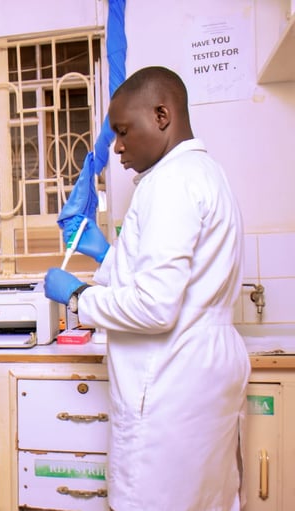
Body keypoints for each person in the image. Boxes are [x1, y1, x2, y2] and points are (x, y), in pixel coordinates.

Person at [44, 66, 250, 511]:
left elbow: (157, 306)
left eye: (122, 131)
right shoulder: (204, 172)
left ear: (161, 115)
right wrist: (106, 255)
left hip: (170, 381)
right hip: (203, 373)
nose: (116, 146)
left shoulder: (170, 183)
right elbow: (173, 276)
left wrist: (78, 298)